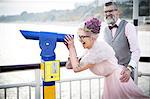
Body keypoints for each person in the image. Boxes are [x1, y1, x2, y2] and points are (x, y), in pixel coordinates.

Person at [64, 17, 149, 99]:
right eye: (79, 37)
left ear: (93, 37)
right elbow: (69, 66)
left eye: (83, 37)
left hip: (119, 80)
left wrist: (72, 47)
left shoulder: (98, 50)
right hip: (110, 80)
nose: (80, 40)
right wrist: (69, 49)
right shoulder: (89, 50)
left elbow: (76, 69)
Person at [103, 1, 140, 82]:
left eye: (111, 11)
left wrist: (129, 69)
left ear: (118, 12)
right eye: (106, 11)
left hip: (125, 75)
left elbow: (136, 51)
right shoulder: (105, 30)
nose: (108, 13)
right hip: (110, 74)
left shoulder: (128, 26)